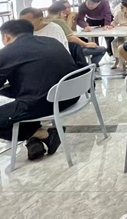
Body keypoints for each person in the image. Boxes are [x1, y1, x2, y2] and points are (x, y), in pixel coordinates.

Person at [0, 19, 80, 161]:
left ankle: (43, 134)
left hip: (45, 103)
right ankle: (34, 141)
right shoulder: (52, 41)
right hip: (71, 95)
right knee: (15, 95)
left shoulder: (7, 52)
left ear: (6, 37)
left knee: (10, 108)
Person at [46, 2, 108, 66]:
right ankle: (90, 67)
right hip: (67, 50)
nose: (67, 10)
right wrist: (86, 44)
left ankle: (88, 66)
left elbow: (72, 31)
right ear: (62, 12)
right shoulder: (59, 21)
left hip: (51, 51)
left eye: (69, 7)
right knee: (102, 49)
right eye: (66, 9)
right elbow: (70, 37)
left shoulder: (44, 21)